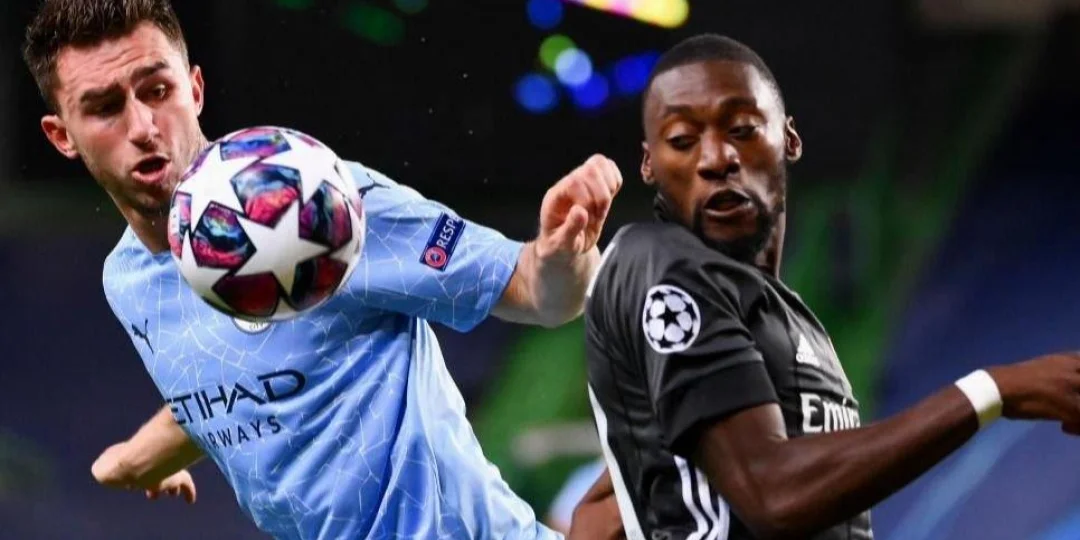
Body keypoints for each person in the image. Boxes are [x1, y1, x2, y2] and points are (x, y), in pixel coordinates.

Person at [22, 0, 623, 538]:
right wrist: (135, 460)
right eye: (105, 108)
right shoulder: (127, 281)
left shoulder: (321, 205)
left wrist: (561, 255)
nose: (143, 127)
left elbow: (540, 294)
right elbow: (229, 387)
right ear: (62, 136)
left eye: (158, 91)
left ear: (195, 89)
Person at [582, 33, 1080, 540]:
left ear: (789, 139)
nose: (715, 157)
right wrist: (991, 391)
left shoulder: (790, 320)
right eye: (682, 140)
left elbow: (619, 496)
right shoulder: (662, 264)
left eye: (743, 128)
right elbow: (773, 495)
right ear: (648, 164)